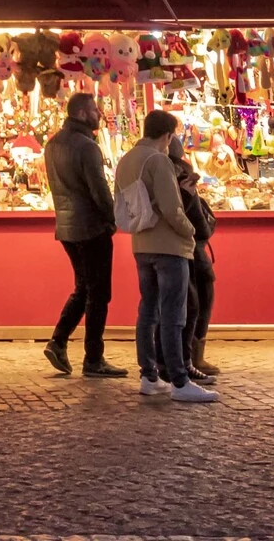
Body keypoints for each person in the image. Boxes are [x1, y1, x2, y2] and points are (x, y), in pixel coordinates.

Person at [114, 110, 210, 401]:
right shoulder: (159, 160)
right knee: (173, 313)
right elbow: (170, 208)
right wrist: (190, 230)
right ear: (168, 135)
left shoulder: (127, 159)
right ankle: (179, 380)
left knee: (148, 310)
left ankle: (149, 374)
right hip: (168, 244)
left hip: (142, 243)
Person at [40, 93, 124, 378]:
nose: (99, 113)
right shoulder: (87, 146)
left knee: (84, 287)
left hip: (66, 226)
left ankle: (59, 341)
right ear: (80, 113)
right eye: (93, 110)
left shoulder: (53, 144)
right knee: (99, 293)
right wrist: (113, 219)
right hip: (90, 227)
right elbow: (99, 190)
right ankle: (93, 358)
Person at [172, 144, 220, 385]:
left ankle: (186, 357)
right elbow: (197, 218)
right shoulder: (181, 172)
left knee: (186, 301)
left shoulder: (161, 168)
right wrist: (203, 228)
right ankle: (192, 357)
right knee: (199, 300)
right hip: (192, 245)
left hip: (179, 246)